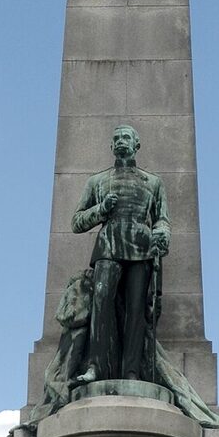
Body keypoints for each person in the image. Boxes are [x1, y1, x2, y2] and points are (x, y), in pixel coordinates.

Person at [71, 124, 170, 381]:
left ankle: (132, 371)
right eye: (116, 138)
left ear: (137, 144)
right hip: (108, 246)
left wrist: (163, 233)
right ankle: (96, 367)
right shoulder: (97, 181)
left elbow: (161, 219)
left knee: (136, 312)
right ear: (111, 146)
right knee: (101, 304)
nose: (121, 141)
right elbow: (77, 222)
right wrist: (101, 209)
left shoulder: (153, 182)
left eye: (126, 137)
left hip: (142, 248)